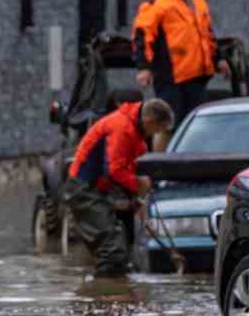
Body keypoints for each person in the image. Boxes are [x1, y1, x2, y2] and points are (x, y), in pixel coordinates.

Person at [62, 98, 175, 277]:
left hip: (98, 190)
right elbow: (115, 170)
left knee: (121, 246)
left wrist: (135, 199)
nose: (156, 135)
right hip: (83, 189)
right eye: (158, 131)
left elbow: (124, 168)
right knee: (112, 248)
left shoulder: (134, 133)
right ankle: (109, 296)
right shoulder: (121, 128)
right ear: (150, 122)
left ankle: (113, 292)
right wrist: (138, 184)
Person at [133, 0, 231, 127]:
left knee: (196, 125)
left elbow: (207, 34)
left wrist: (219, 59)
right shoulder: (159, 2)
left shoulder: (198, 0)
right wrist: (143, 67)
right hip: (171, 77)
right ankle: (163, 154)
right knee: (167, 123)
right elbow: (142, 34)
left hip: (197, 76)